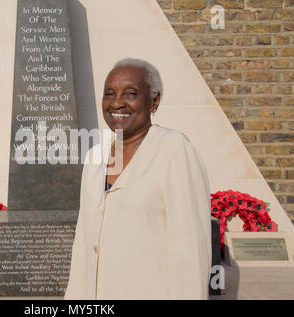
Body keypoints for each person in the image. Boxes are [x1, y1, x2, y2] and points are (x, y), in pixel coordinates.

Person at [64, 58, 212, 299]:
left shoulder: (174, 150)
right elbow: (83, 245)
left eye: (131, 93)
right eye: (109, 93)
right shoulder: (95, 156)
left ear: (154, 101)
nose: (117, 103)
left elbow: (190, 249)